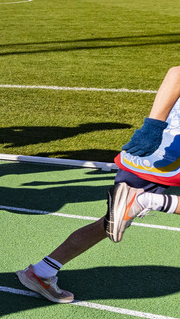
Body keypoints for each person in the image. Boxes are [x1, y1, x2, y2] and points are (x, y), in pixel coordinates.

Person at [16, 66, 180, 303]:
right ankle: (145, 200)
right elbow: (177, 73)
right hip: (164, 158)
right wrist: (152, 127)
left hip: (144, 154)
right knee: (122, 213)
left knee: (113, 221)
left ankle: (42, 272)